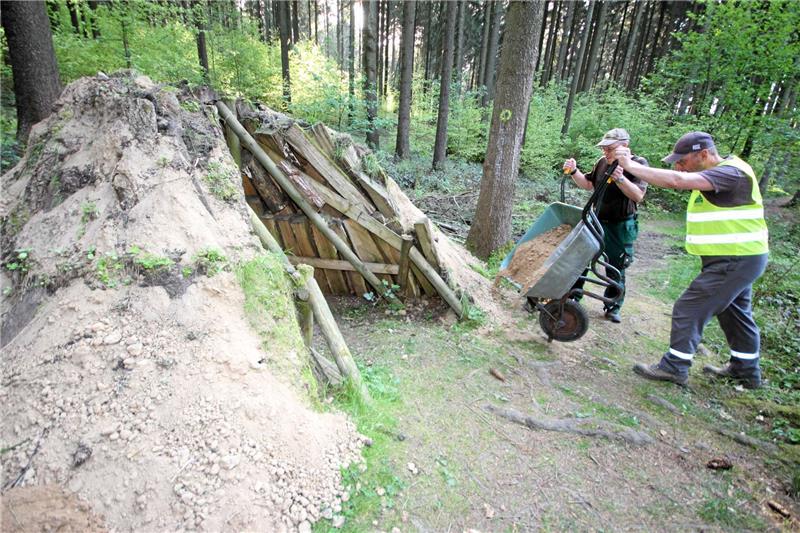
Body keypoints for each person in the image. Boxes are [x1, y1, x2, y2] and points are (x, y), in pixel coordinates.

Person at [614, 131, 769, 389]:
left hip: (735, 259)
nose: (678, 166)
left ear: (704, 154)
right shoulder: (723, 172)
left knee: (689, 308)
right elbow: (679, 176)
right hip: (740, 257)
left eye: (683, 160)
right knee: (736, 312)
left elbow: (676, 180)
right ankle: (746, 371)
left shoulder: (731, 173)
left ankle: (675, 366)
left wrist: (630, 166)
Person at [563, 128, 648, 323]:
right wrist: (574, 171)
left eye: (610, 149)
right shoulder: (602, 163)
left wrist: (620, 178)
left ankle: (613, 306)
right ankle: (572, 297)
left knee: (615, 265)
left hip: (620, 225)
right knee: (581, 257)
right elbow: (588, 184)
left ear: (625, 146)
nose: (606, 153)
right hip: (596, 219)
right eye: (604, 149)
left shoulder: (638, 164)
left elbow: (638, 195)